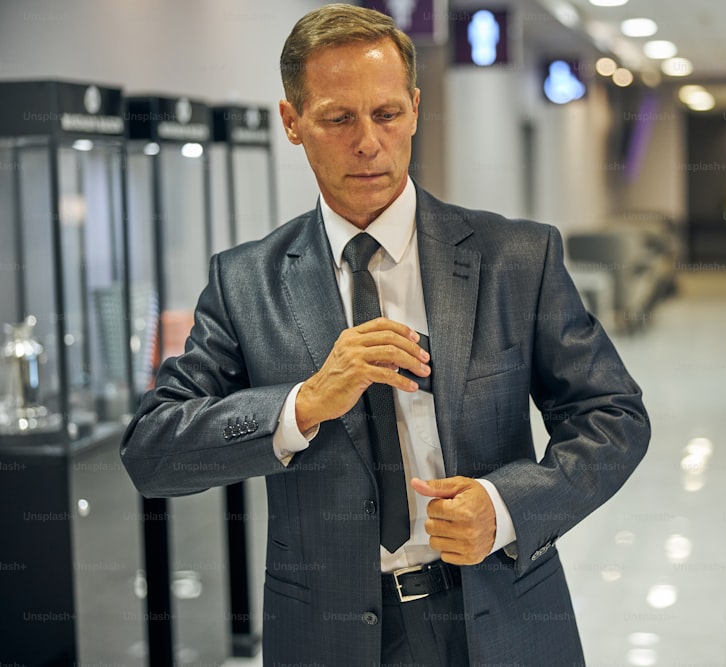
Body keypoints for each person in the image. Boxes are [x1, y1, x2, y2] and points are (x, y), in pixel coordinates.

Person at [120, 4, 649, 665]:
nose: (368, 141)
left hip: (501, 610)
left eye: (387, 114)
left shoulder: (515, 257)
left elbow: (614, 415)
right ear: (293, 122)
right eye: (339, 118)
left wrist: (506, 505)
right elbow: (152, 451)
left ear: (416, 110)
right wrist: (302, 403)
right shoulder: (245, 282)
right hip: (328, 631)